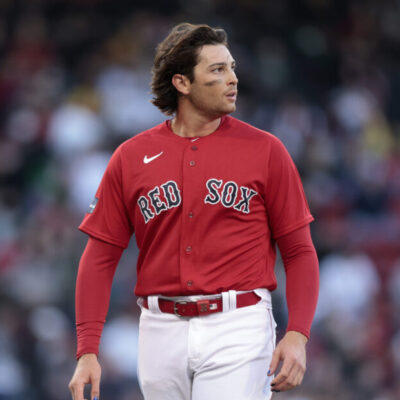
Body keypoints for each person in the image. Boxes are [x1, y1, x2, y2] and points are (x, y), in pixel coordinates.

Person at [68, 23, 319, 400]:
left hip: (237, 323)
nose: (233, 79)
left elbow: (298, 250)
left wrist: (297, 334)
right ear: (182, 83)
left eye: (231, 67)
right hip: (158, 328)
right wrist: (87, 350)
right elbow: (100, 256)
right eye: (217, 70)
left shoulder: (266, 150)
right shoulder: (131, 156)